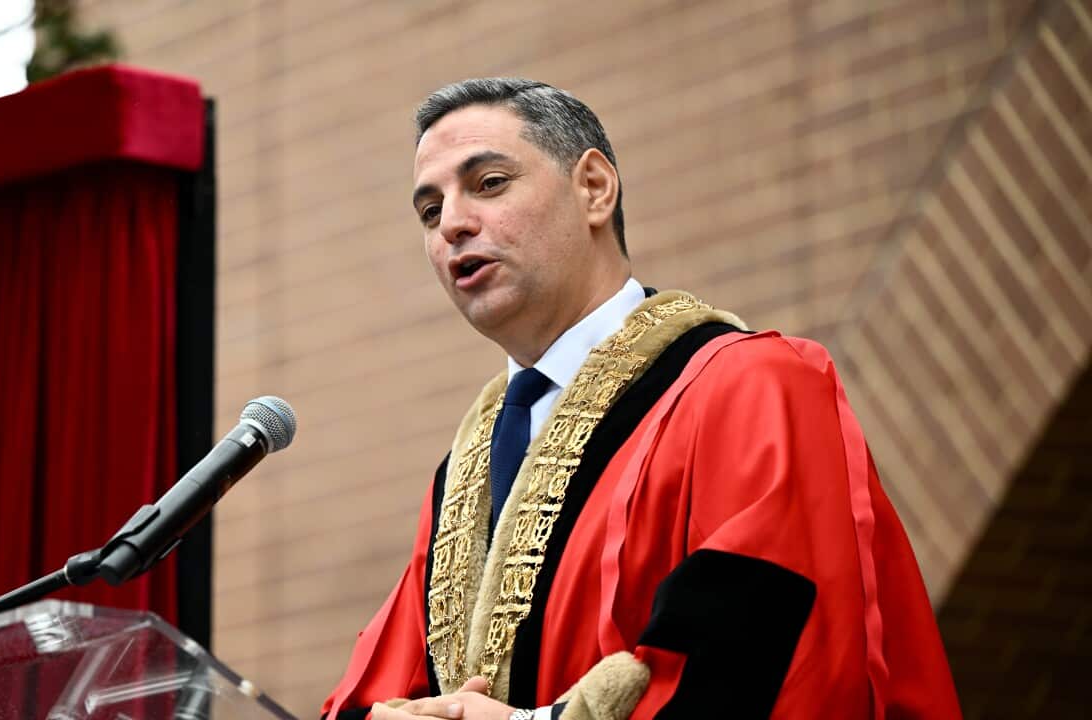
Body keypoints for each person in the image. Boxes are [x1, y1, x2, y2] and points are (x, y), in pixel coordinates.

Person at [321, 78, 962, 720]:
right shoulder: (466, 472)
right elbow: (366, 692)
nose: (454, 225)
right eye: (430, 212)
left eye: (489, 183)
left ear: (594, 189)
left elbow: (766, 662)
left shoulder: (750, 385)